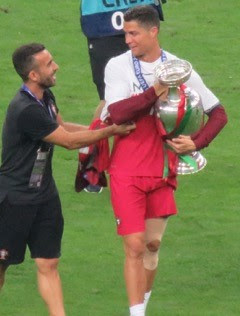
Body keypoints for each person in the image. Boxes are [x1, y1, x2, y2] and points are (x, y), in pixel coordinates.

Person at [100, 5, 227, 316]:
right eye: (125, 33)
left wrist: (196, 142)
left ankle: (143, 305)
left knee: (152, 246)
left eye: (133, 33)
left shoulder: (179, 68)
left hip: (162, 167)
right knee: (134, 246)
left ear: (153, 31)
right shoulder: (118, 67)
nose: (127, 39)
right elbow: (117, 113)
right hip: (127, 167)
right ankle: (136, 313)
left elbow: (218, 114)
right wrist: (156, 90)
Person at [0, 43, 135, 315]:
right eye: (49, 64)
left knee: (48, 263)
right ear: (33, 76)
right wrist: (110, 131)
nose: (56, 66)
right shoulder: (25, 109)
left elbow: (60, 127)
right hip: (13, 199)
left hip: (44, 196)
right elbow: (69, 142)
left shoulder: (45, 96)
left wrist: (97, 130)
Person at [80, 0, 167, 193]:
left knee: (155, 81)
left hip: (141, 12)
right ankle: (92, 162)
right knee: (108, 100)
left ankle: (159, 156)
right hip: (102, 19)